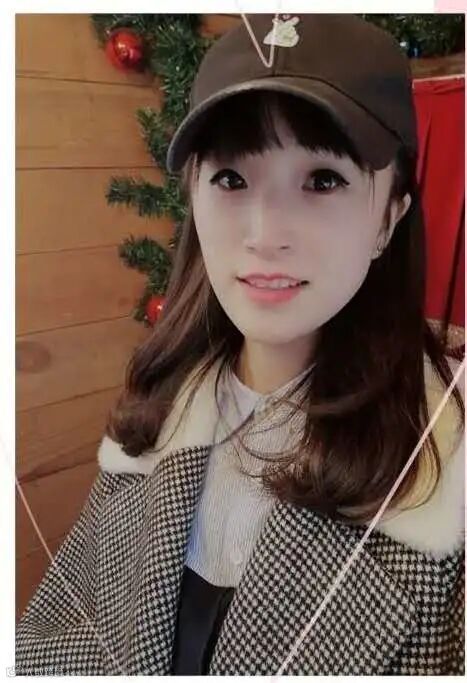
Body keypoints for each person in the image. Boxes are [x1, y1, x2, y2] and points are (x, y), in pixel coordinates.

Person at [16, 13, 465, 676]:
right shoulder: (157, 413)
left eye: (322, 180)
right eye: (230, 178)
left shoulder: (445, 480)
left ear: (390, 215)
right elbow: (57, 635)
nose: (263, 234)